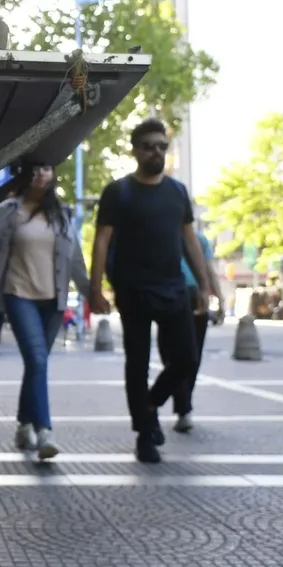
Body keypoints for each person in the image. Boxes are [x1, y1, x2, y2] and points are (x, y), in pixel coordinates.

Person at [89, 118, 211, 463]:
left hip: (174, 288)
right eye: (148, 146)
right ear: (135, 151)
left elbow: (190, 241)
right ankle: (144, 435)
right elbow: (102, 242)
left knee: (187, 358)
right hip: (133, 290)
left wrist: (204, 285)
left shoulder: (177, 192)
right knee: (137, 363)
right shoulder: (118, 192)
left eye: (162, 146)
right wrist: (95, 289)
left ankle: (151, 403)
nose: (156, 152)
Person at [0, 157, 90, 459]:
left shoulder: (62, 213)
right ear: (25, 176)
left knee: (36, 364)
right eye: (35, 169)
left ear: (53, 174)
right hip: (18, 294)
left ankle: (24, 425)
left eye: (46, 168)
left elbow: (74, 258)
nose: (41, 173)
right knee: (37, 360)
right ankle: (44, 430)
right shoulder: (10, 210)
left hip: (54, 300)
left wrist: (91, 292)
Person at [159, 229, 222, 433]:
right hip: (187, 295)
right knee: (189, 355)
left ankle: (183, 407)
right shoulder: (198, 238)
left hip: (180, 295)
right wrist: (219, 298)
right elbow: (209, 270)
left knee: (177, 354)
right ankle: (183, 407)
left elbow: (209, 270)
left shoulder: (196, 239)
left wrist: (219, 298)